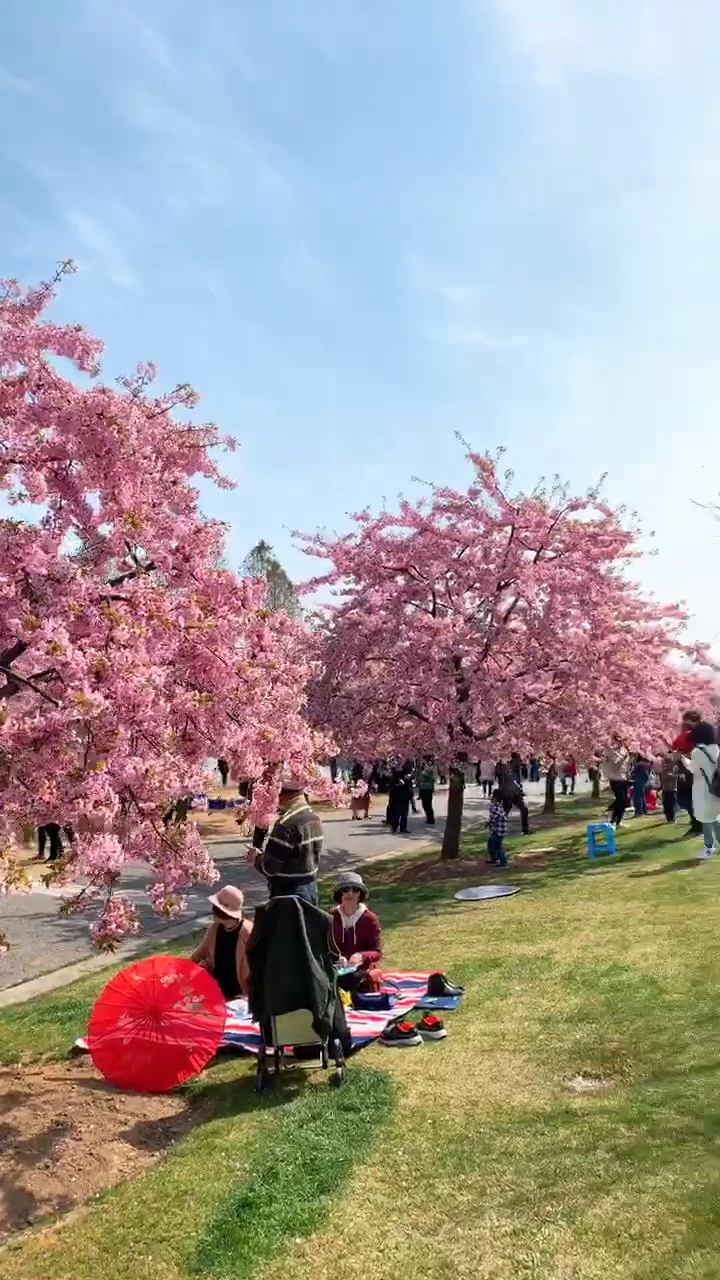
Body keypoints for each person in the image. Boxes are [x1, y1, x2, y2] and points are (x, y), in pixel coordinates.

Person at [251, 773, 324, 905]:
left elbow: (269, 867)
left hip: (287, 893)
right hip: (310, 888)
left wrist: (256, 857)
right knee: (308, 924)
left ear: (283, 795)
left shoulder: (286, 824)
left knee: (289, 926)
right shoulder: (313, 819)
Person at [191, 884, 252, 999]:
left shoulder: (248, 932)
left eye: (215, 907)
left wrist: (248, 995)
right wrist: (181, 969)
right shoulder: (215, 928)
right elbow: (201, 952)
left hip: (239, 994)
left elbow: (260, 967)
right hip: (215, 988)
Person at [330, 872, 382, 990]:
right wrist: (336, 957)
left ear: (360, 894)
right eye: (345, 890)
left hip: (360, 970)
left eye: (355, 890)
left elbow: (376, 952)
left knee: (351, 979)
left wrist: (361, 956)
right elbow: (323, 946)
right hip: (336, 967)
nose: (350, 893)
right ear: (340, 894)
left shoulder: (369, 919)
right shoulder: (331, 916)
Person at [689, 721, 720, 859]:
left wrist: (682, 760)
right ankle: (712, 845)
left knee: (707, 818)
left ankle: (708, 847)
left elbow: (693, 769)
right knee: (715, 817)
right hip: (716, 787)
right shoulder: (716, 749)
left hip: (704, 788)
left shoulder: (697, 751)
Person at [672, 710, 704, 836]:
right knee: (682, 798)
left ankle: (699, 825)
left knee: (692, 798)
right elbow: (674, 749)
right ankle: (697, 824)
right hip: (683, 769)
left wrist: (683, 754)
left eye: (688, 720)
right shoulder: (683, 734)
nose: (684, 722)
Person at [497, 761, 530, 835]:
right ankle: (498, 829)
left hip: (515, 795)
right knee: (504, 812)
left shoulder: (513, 772)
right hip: (508, 795)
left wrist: (519, 789)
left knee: (524, 809)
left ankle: (525, 829)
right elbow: (505, 784)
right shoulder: (503, 774)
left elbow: (515, 782)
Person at [602, 738, 628, 827]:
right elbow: (615, 766)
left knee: (624, 801)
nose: (620, 742)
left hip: (623, 778)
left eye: (622, 741)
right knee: (621, 799)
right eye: (618, 740)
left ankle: (617, 820)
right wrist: (623, 759)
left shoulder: (624, 750)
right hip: (615, 779)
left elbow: (626, 766)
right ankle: (611, 815)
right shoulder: (611, 752)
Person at [487, 788, 508, 866]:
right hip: (500, 829)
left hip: (498, 830)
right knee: (491, 844)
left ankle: (503, 862)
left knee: (497, 846)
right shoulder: (499, 805)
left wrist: (488, 823)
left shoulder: (495, 806)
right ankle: (494, 858)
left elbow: (494, 817)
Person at [388, 769, 411, 834]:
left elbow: (391, 791)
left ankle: (396, 828)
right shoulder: (398, 781)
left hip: (398, 799)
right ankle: (401, 828)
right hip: (400, 799)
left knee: (398, 814)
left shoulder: (395, 781)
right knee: (401, 815)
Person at [659, 753, 678, 823]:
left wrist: (672, 776)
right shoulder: (664, 771)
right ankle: (668, 818)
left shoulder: (675, 770)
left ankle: (672, 819)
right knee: (666, 805)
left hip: (672, 790)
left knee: (672, 805)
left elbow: (677, 777)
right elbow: (663, 779)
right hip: (666, 790)